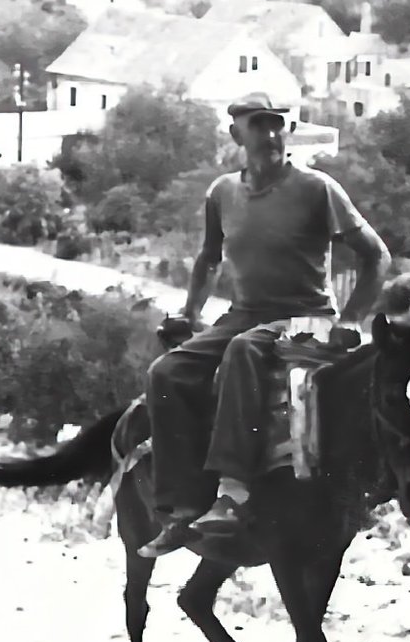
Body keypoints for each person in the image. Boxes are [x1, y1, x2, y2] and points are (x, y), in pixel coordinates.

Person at [136, 92, 391, 558]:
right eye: (259, 125)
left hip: (307, 315)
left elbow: (376, 255)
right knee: (167, 374)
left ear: (287, 132)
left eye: (277, 125)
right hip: (244, 313)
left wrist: (351, 319)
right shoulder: (222, 193)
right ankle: (181, 508)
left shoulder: (317, 188)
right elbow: (208, 258)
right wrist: (189, 313)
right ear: (237, 134)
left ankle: (232, 494)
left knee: (244, 351)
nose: (271, 134)